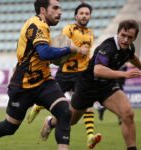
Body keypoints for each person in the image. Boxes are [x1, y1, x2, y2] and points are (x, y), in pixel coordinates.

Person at [0, 0, 88, 150]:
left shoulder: (44, 27)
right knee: (9, 127)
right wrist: (69, 49)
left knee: (64, 112)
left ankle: (54, 132)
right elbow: (44, 53)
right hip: (23, 85)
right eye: (55, 8)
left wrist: (58, 57)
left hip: (44, 81)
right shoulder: (36, 25)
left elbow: (41, 56)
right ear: (43, 10)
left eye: (60, 8)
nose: (60, 12)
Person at [41, 19, 141, 150]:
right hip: (87, 87)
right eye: (123, 35)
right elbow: (98, 70)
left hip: (107, 86)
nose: (126, 40)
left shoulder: (128, 47)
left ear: (134, 38)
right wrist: (124, 74)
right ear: (118, 33)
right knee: (72, 121)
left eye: (130, 37)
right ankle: (51, 122)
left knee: (128, 114)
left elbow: (132, 56)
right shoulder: (107, 47)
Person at [27, 3, 101, 149]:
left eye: (87, 13)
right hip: (65, 73)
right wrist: (79, 50)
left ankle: (90, 136)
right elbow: (61, 46)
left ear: (90, 16)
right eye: (81, 13)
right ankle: (38, 107)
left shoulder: (91, 33)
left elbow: (87, 55)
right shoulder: (69, 29)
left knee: (87, 104)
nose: (84, 16)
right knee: (50, 97)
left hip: (82, 74)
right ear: (76, 16)